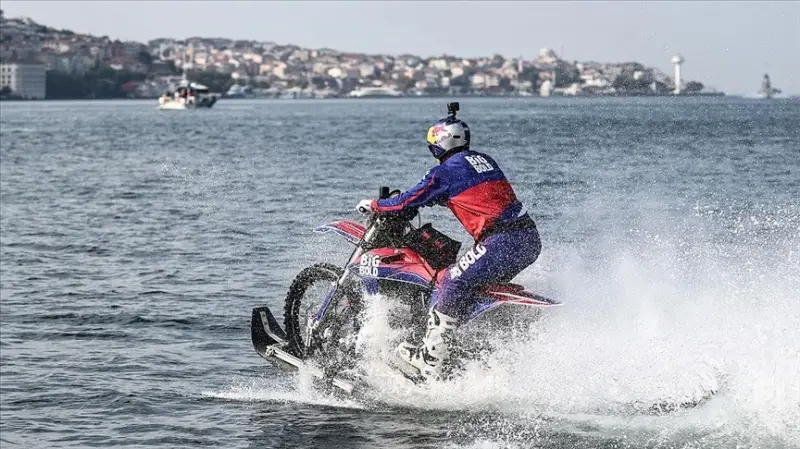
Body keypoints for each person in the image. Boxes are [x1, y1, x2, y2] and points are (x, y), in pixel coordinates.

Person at [355, 103, 542, 382]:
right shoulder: (483, 160)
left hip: (502, 240)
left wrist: (374, 204)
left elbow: (405, 201)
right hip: (527, 239)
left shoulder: (444, 172)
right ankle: (458, 347)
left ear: (438, 143)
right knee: (471, 287)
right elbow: (478, 196)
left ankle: (429, 362)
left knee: (452, 282)